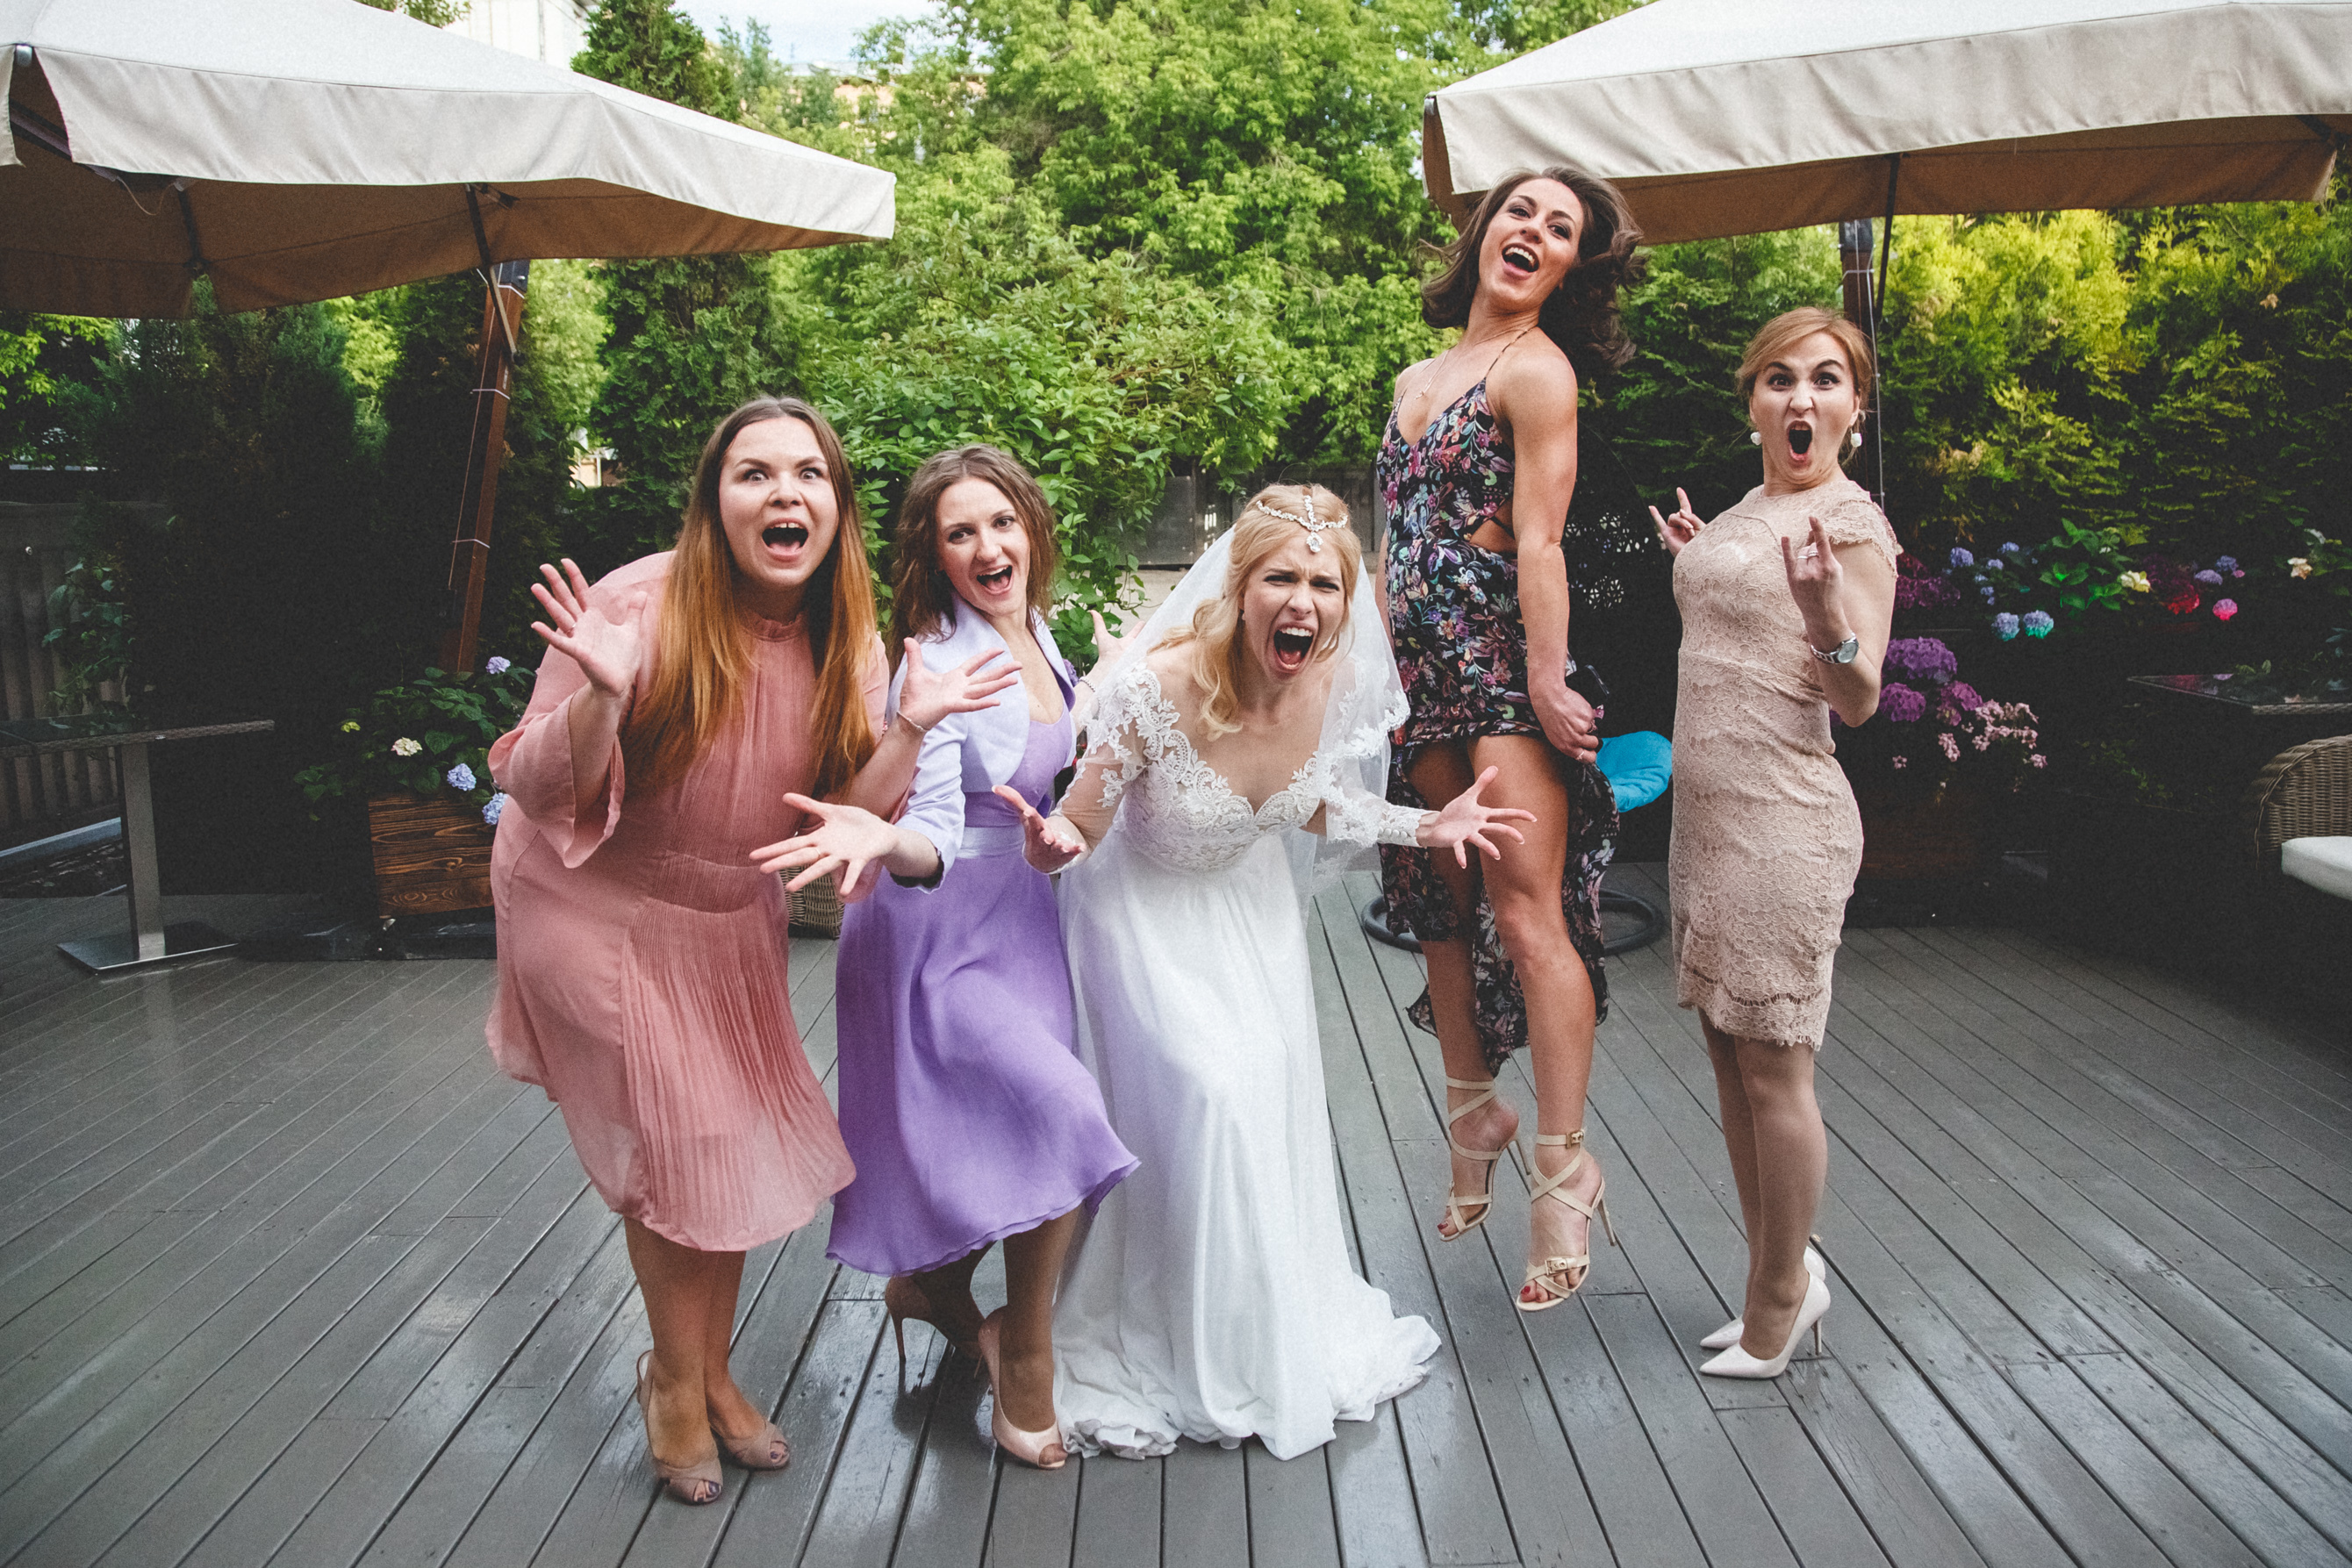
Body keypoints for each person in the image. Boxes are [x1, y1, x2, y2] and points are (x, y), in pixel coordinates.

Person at [486, 397, 1009, 1503]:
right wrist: (600, 698)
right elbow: (533, 782)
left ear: (837, 507)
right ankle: (676, 1384)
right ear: (714, 500)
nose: (784, 493)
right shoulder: (636, 604)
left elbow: (844, 810)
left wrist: (910, 728)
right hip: (591, 898)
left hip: (728, 918)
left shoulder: (847, 638)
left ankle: (709, 1373)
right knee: (682, 1143)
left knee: (716, 1144)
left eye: (808, 474)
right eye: (754, 473)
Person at [1000, 485, 1530, 1460]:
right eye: (1281, 577)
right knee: (1213, 1097)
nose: (1304, 602)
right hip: (1139, 915)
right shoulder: (1156, 685)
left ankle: (1254, 1327)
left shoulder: (1331, 682)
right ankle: (1159, 1328)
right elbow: (1082, 821)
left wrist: (1426, 824)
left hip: (1249, 916)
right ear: (1239, 588)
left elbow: (1311, 799)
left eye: (1325, 585)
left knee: (1267, 1097)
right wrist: (1051, 844)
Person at [754, 447, 1137, 1472]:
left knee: (1004, 1131)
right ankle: (1026, 1351)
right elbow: (926, 830)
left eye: (1000, 522)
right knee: (1063, 1112)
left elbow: (1057, 767)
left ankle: (933, 1290)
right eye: (959, 532)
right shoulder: (935, 662)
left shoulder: (1039, 631)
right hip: (933, 929)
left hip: (1022, 920)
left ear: (1031, 530)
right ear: (934, 555)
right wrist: (885, 838)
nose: (986, 545)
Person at [1379, 164, 1646, 1311]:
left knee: (1528, 913)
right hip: (1414, 672)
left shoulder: (1537, 371)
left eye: (1562, 226)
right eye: (1520, 210)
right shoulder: (1415, 376)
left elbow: (1540, 538)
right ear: (1485, 230)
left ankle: (1563, 1163)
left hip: (1494, 665)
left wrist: (1543, 675)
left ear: (1572, 265)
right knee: (1437, 906)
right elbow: (1392, 537)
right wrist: (1368, 679)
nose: (1532, 229)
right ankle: (1471, 1109)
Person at [1648, 306, 1897, 1378]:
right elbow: (1734, 623)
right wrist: (1698, 558)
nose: (1802, 397)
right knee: (1728, 1050)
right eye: (1780, 378)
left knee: (1774, 1067)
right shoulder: (1750, 508)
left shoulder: (1850, 526)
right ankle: (1778, 1267)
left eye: (1826, 379)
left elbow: (1860, 697)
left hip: (1783, 823)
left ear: (1854, 406)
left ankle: (1780, 1298)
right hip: (1708, 822)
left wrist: (1825, 611)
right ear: (1752, 399)